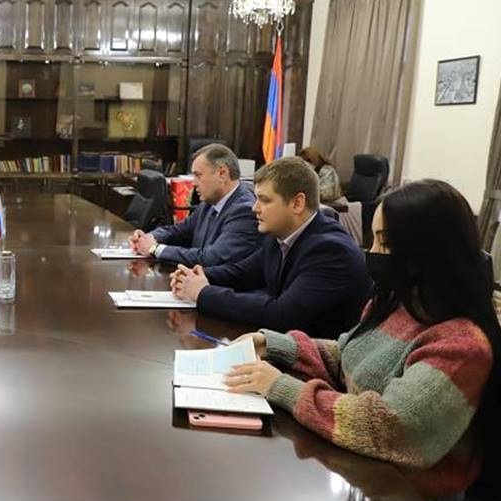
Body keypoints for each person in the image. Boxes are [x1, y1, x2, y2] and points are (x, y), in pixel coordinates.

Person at [221, 179, 498, 471]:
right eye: (373, 239)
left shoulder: (462, 346)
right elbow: (347, 354)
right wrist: (275, 345)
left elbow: (391, 427)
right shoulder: (394, 304)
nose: (372, 252)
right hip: (351, 462)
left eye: (385, 243)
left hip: (400, 486)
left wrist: (281, 387)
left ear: (428, 252)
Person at [171, 156, 372, 339]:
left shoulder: (331, 251)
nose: (254, 208)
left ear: (297, 203)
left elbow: (281, 314)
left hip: (324, 360)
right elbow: (243, 273)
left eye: (264, 200)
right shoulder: (279, 234)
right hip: (289, 347)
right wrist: (196, 276)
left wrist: (203, 293)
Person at [128, 144, 259, 266]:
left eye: (198, 175)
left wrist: (155, 249)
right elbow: (178, 231)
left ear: (222, 173)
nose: (193, 183)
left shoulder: (245, 210)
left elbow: (212, 258)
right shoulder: (209, 202)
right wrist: (148, 238)